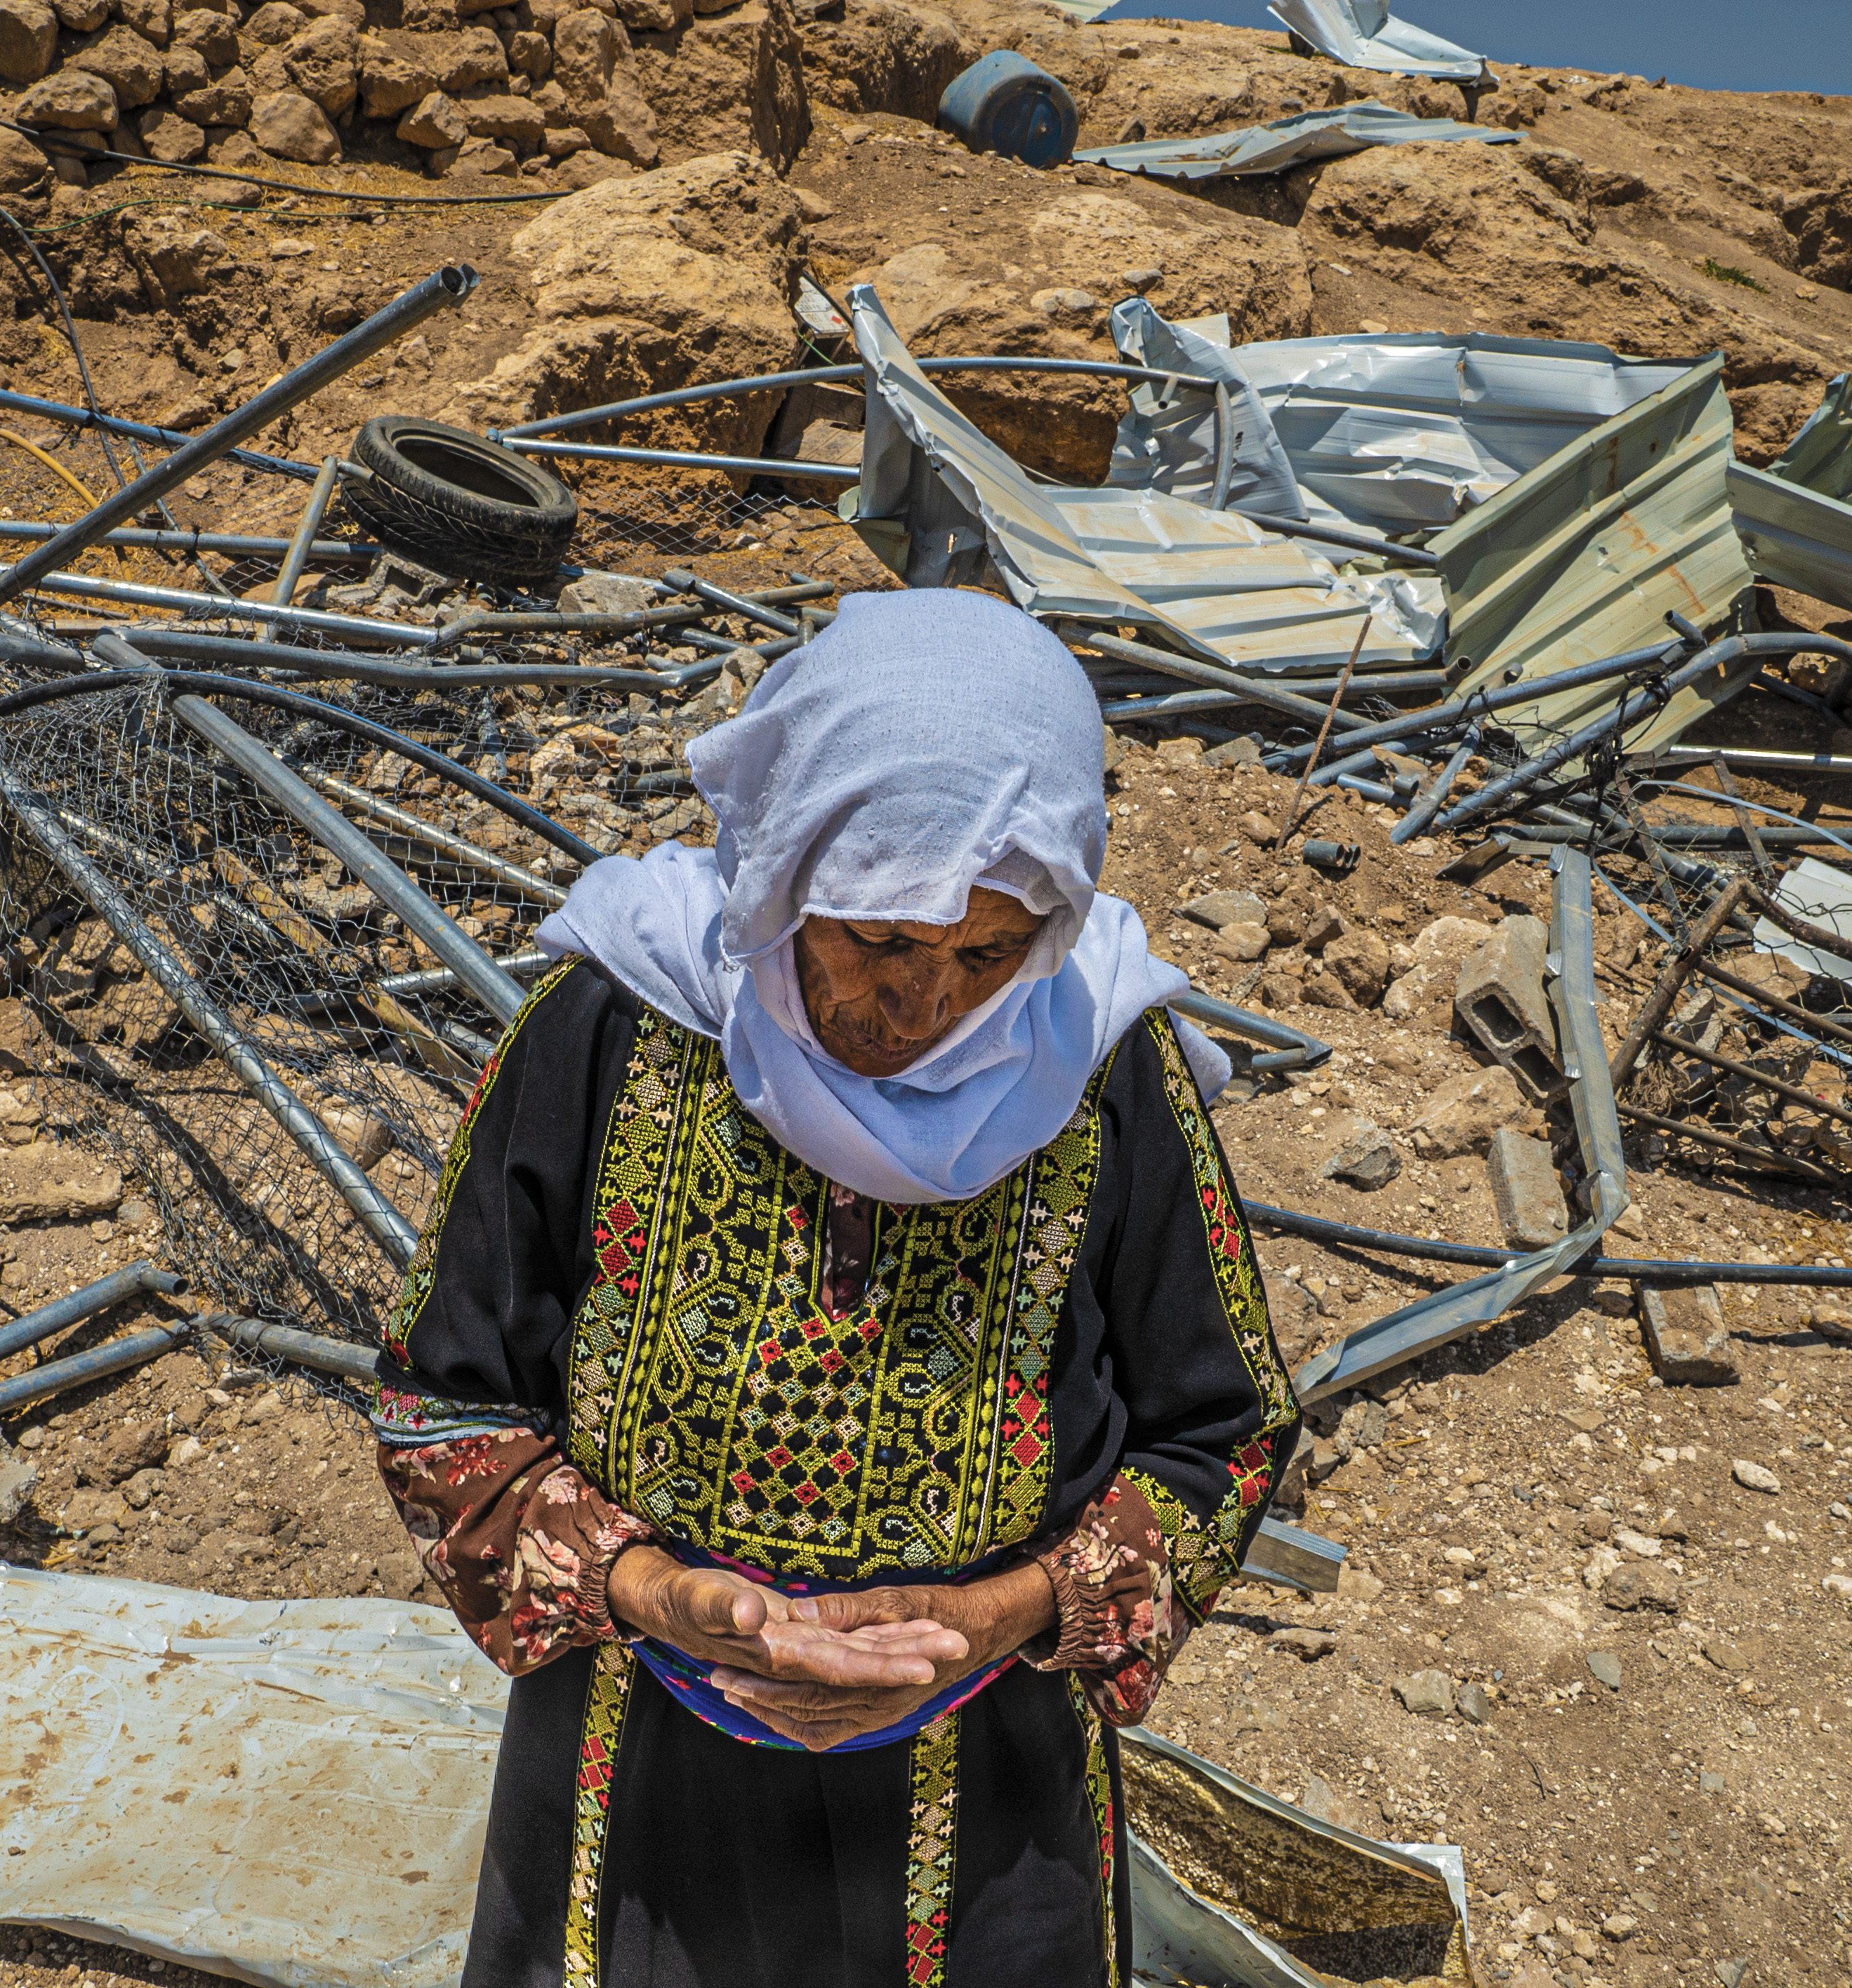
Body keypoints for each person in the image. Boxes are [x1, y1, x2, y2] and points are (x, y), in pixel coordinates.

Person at [371, 588, 1299, 1988]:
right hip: (637, 1750)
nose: (925, 1009)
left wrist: (988, 1620)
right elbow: (446, 1406)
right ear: (783, 873)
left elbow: (1219, 1440)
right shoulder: (614, 1024)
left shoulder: (1101, 1074)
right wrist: (662, 1594)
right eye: (876, 940)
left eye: (985, 956)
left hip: (987, 1775)